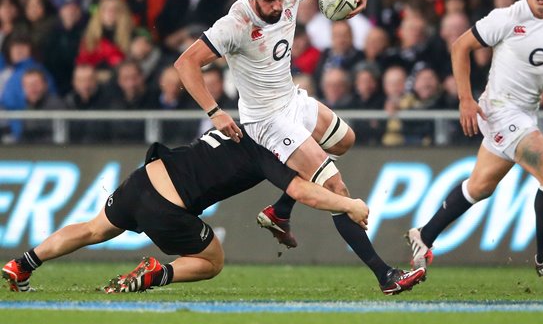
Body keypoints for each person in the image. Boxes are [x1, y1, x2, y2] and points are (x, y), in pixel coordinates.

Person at [174, 0, 406, 290]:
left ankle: (280, 211)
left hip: (292, 101)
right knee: (336, 189)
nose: (278, 7)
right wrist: (214, 112)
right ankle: (385, 275)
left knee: (344, 141)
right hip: (266, 120)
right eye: (269, 2)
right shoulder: (235, 24)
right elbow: (185, 63)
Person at [1, 127, 426, 295]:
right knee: (211, 262)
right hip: (170, 205)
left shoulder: (235, 124)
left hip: (145, 177)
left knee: (93, 228)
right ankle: (156, 272)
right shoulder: (267, 153)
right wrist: (350, 203)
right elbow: (307, 192)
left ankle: (22, 264)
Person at [405, 0, 543, 284]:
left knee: (479, 188)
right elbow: (460, 47)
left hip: (525, 114)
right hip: (501, 111)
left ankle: (424, 235)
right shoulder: (507, 17)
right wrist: (465, 99)